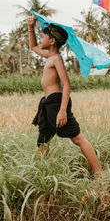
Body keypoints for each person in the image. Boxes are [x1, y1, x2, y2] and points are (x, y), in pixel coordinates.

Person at [27, 16, 102, 175]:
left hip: (56, 102)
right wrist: (30, 27)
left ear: (52, 41)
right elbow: (33, 46)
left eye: (43, 36)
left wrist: (62, 111)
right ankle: (43, 172)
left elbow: (67, 84)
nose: (40, 39)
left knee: (77, 138)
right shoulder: (49, 56)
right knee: (43, 140)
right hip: (47, 102)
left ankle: (99, 173)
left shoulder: (56, 59)